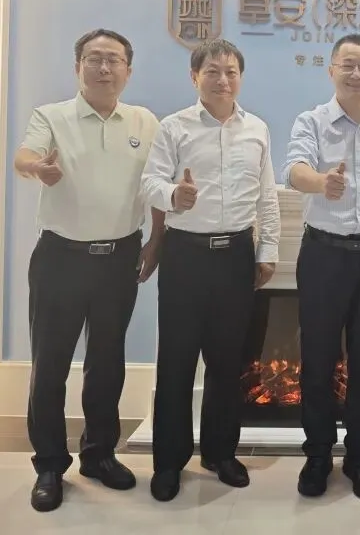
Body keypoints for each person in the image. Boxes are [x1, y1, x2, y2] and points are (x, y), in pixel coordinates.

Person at [14, 28, 163, 512]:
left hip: (120, 257)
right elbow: (22, 157)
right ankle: (50, 465)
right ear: (78, 66)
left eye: (113, 59)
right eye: (94, 58)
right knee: (50, 364)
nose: (104, 67)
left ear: (128, 70)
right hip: (61, 258)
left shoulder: (144, 121)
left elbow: (156, 185)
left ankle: (99, 455)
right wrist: (39, 169)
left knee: (107, 361)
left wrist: (156, 241)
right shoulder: (51, 116)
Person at [141, 38, 280, 502]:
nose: (223, 80)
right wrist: (172, 195)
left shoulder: (257, 129)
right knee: (176, 363)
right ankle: (169, 462)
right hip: (185, 256)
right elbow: (149, 182)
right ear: (194, 76)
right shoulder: (174, 127)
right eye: (213, 71)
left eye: (231, 72)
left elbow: (266, 195)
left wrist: (267, 249)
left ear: (240, 77)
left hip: (236, 255)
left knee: (228, 363)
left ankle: (221, 454)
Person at [282, 33, 360, 501]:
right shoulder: (311, 120)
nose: (356, 74)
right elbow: (293, 170)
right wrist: (321, 183)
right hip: (322, 255)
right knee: (317, 360)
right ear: (331, 69)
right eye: (347, 65)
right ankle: (318, 455)